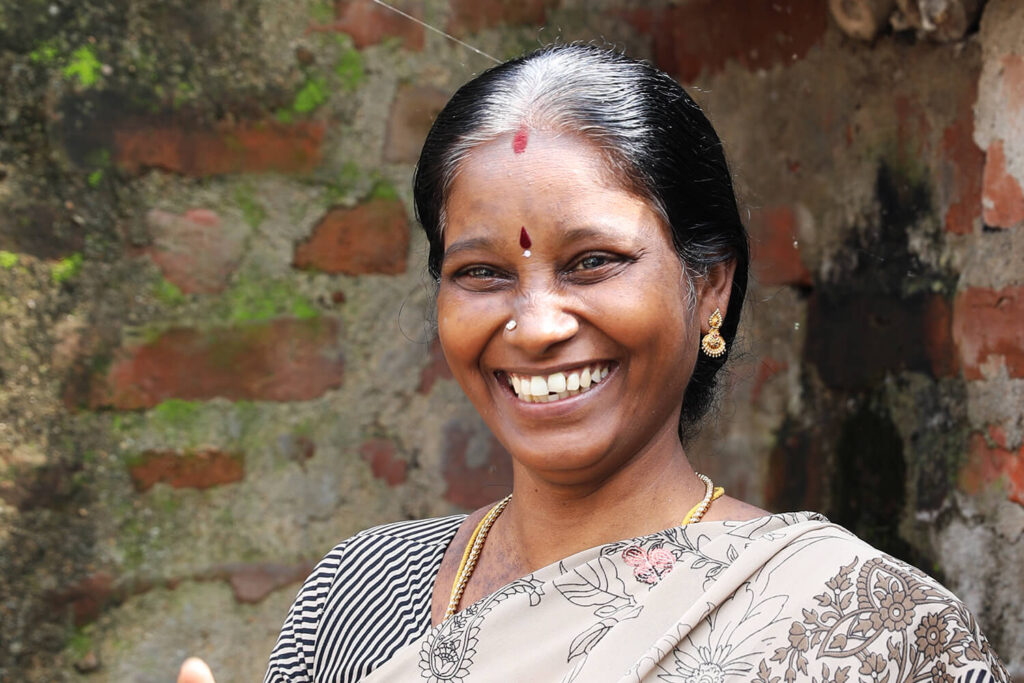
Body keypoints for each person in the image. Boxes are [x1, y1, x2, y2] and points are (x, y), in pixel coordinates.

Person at [181, 44, 1009, 682]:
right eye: (482, 273)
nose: (536, 324)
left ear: (709, 288)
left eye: (593, 262)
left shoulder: (870, 630)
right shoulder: (355, 595)